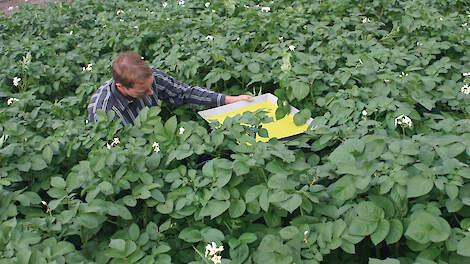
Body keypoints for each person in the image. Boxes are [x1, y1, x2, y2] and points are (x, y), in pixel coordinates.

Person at [87, 51, 252, 125]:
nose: (151, 93)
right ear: (121, 86)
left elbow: (184, 93)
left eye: (150, 86)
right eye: (143, 91)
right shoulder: (103, 111)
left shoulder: (149, 76)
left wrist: (229, 100)